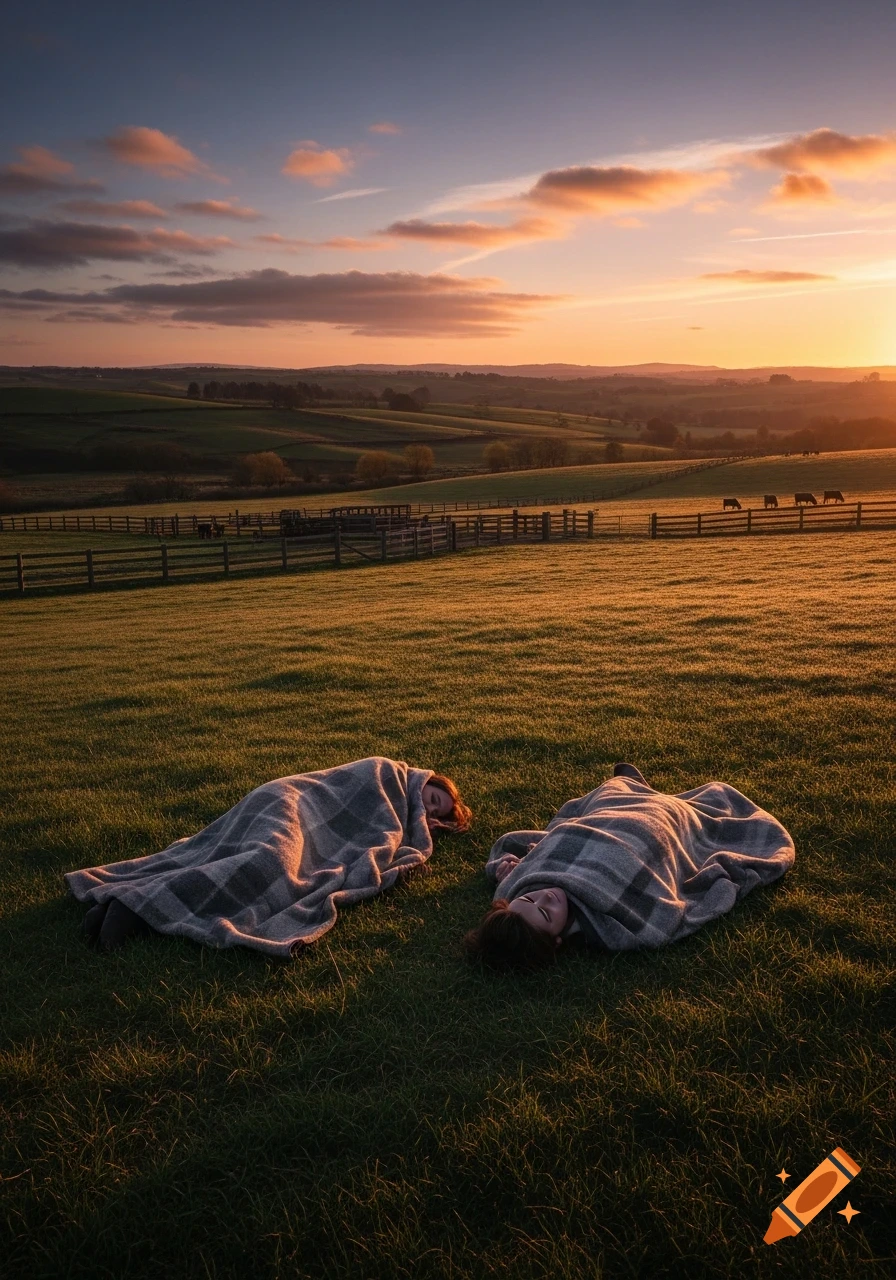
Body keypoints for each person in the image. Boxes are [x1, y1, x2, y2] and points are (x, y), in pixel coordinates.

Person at [68, 759, 471, 954]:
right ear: (427, 780)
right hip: (290, 802)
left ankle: (128, 905)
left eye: (434, 814)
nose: (426, 809)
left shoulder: (405, 823)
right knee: (269, 860)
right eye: (432, 799)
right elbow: (347, 794)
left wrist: (418, 825)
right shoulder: (388, 772)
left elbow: (382, 835)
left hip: (311, 826)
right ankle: (134, 908)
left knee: (271, 867)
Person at [462, 763, 795, 972]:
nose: (545, 896)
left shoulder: (513, 889)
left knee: (608, 798)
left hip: (604, 820)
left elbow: (539, 849)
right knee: (666, 813)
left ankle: (632, 788)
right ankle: (644, 793)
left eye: (530, 898)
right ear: (557, 942)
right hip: (655, 830)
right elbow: (661, 919)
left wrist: (509, 866)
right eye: (546, 913)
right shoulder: (615, 929)